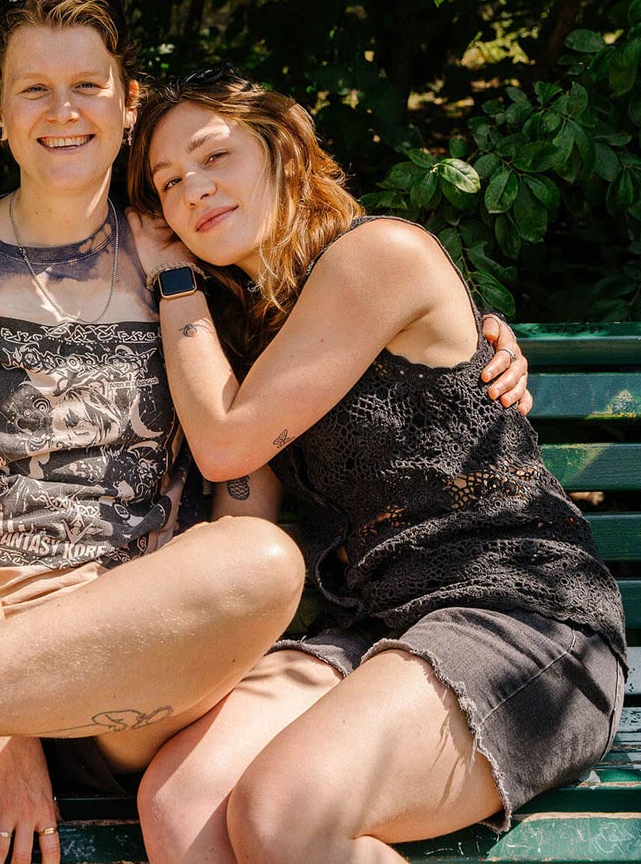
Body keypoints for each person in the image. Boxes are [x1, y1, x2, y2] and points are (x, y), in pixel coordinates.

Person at [0, 0, 528, 863]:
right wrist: (5, 734)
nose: (63, 110)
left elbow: (325, 307)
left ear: (126, 105)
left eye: (87, 84)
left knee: (259, 560)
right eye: (31, 89)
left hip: (121, 652)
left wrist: (480, 331)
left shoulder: (185, 251)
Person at [124, 66, 626, 864]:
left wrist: (173, 280)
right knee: (181, 800)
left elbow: (225, 440)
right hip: (371, 624)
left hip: (522, 615)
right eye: (168, 182)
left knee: (284, 810)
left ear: (282, 150)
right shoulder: (248, 339)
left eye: (216, 157)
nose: (193, 190)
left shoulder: (377, 255)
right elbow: (241, 512)